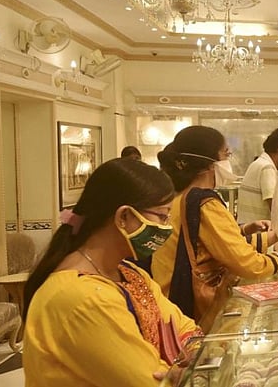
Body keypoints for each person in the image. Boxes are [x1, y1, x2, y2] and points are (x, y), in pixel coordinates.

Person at [22, 158, 201, 386]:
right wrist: (179, 371)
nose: (167, 226)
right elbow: (149, 381)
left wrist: (191, 357)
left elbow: (182, 326)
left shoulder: (128, 272)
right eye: (162, 216)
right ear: (124, 217)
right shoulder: (82, 297)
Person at [152, 126, 278, 327]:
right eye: (226, 154)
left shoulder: (182, 196)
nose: (228, 161)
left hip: (167, 298)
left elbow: (223, 244)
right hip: (191, 307)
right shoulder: (204, 201)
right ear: (208, 163)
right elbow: (248, 264)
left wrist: (273, 236)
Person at [237, 128, 278, 224]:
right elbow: (274, 206)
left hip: (248, 226)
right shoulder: (267, 167)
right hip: (256, 228)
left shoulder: (259, 163)